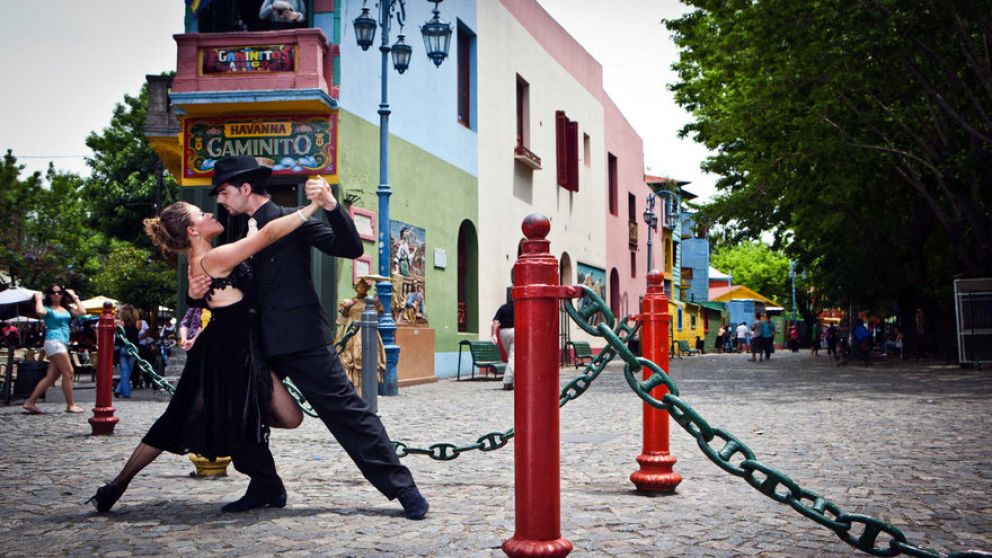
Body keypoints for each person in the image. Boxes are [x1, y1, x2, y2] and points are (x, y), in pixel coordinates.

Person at [197, 155, 429, 518]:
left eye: (224, 192)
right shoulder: (231, 230)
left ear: (244, 188)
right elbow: (216, 278)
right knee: (242, 411)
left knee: (347, 412)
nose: (220, 201)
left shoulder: (292, 219)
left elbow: (349, 248)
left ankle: (404, 489)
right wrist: (193, 291)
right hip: (254, 341)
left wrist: (333, 207)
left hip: (300, 336)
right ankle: (265, 486)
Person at [86, 196, 315, 513]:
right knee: (179, 420)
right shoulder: (212, 260)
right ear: (193, 230)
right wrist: (312, 209)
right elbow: (265, 237)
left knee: (280, 417)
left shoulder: (207, 260)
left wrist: (249, 226)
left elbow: (248, 248)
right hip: (223, 355)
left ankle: (263, 480)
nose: (210, 212)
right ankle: (117, 485)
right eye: (202, 213)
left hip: (240, 351)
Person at [21, 285, 87, 414]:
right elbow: (39, 312)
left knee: (51, 377)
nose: (56, 294)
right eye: (52, 292)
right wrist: (39, 298)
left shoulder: (66, 309)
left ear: (63, 294)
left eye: (59, 292)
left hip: (62, 342)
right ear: (49, 295)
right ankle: (71, 405)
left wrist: (74, 297)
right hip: (54, 341)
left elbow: (83, 312)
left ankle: (30, 402)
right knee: (69, 373)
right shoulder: (47, 309)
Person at [336, 276, 385, 394]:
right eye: (359, 286)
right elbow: (344, 314)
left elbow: (378, 313)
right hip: (351, 330)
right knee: (348, 357)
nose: (361, 288)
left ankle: (366, 388)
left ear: (367, 289)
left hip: (367, 331)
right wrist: (347, 307)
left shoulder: (371, 302)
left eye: (363, 287)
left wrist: (377, 303)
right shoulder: (349, 301)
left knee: (367, 357)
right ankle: (350, 387)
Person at [115, 304, 141, 398]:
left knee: (124, 370)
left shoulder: (120, 323)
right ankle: (123, 392)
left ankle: (120, 390)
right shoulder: (138, 323)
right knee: (128, 371)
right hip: (133, 348)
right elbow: (137, 332)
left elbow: (117, 335)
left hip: (122, 347)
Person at [491, 298, 514, 391]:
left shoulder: (503, 307)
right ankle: (507, 381)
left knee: (511, 356)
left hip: (503, 332)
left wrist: (493, 335)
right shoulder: (520, 306)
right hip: (515, 331)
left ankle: (511, 380)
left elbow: (495, 322)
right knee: (513, 357)